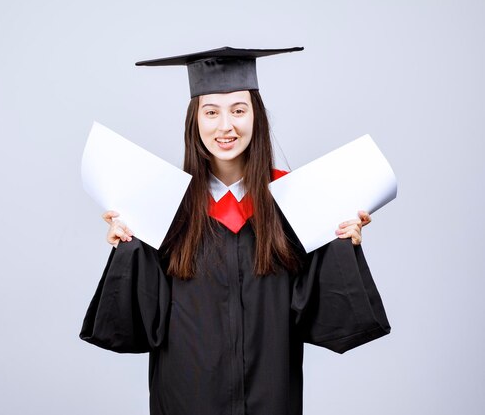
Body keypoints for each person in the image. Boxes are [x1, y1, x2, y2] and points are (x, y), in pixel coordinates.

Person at [80, 47, 390, 415]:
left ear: (256, 117)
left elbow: (327, 318)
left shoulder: (295, 203)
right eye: (211, 112)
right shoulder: (165, 207)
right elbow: (133, 323)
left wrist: (342, 242)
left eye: (239, 111)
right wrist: (128, 247)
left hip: (271, 398)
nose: (225, 126)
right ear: (194, 121)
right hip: (184, 399)